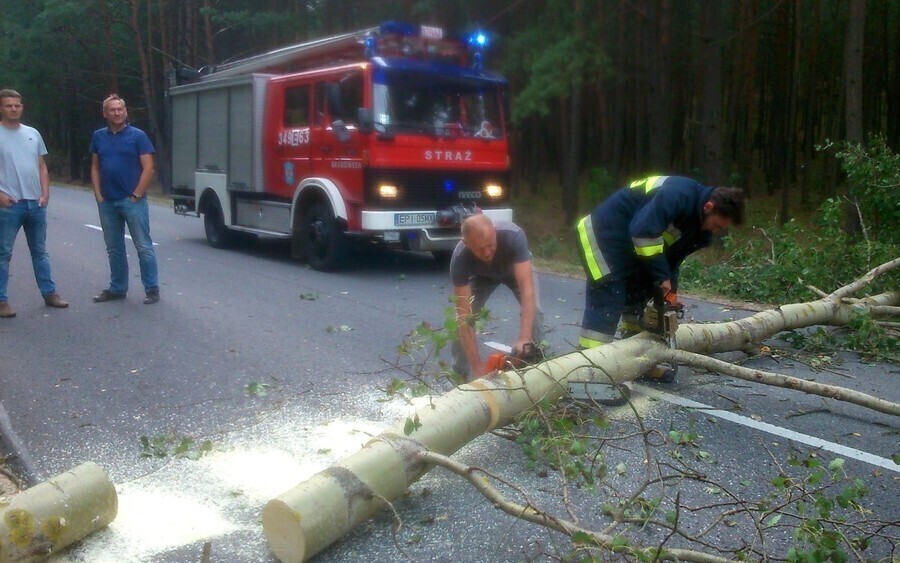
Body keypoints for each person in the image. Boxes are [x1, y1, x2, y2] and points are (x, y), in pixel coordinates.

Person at [576, 175, 744, 360]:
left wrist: (669, 290)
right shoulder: (676, 195)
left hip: (631, 245)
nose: (715, 231)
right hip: (604, 234)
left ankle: (633, 357)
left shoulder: (699, 230)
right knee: (609, 298)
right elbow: (643, 233)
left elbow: (672, 259)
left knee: (641, 294)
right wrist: (662, 276)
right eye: (717, 225)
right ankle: (588, 363)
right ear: (708, 207)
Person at [0, 89, 69, 318]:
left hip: (35, 204)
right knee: (3, 254)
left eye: (17, 105)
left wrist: (45, 192)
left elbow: (41, 166)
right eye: (9, 105)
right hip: (9, 205)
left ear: (22, 107)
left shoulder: (32, 134)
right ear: (2, 108)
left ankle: (50, 293)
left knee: (40, 251)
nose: (14, 109)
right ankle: (2, 301)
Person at [450, 214, 544, 380]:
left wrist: (524, 338)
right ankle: (459, 376)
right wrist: (477, 367)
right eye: (479, 249)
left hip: (515, 270)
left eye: (490, 245)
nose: (487, 252)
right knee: (460, 322)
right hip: (480, 276)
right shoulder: (460, 258)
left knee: (534, 310)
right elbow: (465, 316)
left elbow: (527, 291)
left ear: (494, 232)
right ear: (466, 243)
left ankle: (536, 365)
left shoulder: (513, 236)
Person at [90, 94, 160, 305]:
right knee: (114, 248)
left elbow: (149, 168)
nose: (117, 113)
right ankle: (118, 288)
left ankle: (152, 289)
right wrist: (98, 194)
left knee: (143, 246)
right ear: (105, 113)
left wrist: (136, 194)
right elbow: (95, 166)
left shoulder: (138, 136)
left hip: (132, 201)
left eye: (120, 109)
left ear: (126, 111)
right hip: (108, 202)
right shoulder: (98, 136)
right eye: (112, 110)